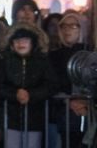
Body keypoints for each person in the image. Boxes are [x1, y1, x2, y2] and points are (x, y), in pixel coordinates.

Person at [0, 23, 56, 148]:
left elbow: (51, 85)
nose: (21, 43)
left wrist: (31, 95)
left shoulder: (42, 62)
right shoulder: (4, 62)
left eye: (25, 40)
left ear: (33, 43)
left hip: (35, 117)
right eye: (17, 40)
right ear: (12, 44)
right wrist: (15, 94)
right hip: (10, 117)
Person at [49, 12, 91, 148]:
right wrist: (69, 101)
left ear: (81, 29)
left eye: (73, 26)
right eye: (64, 26)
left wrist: (85, 102)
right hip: (62, 112)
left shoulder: (90, 54)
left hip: (88, 111)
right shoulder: (53, 56)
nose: (67, 30)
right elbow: (52, 82)